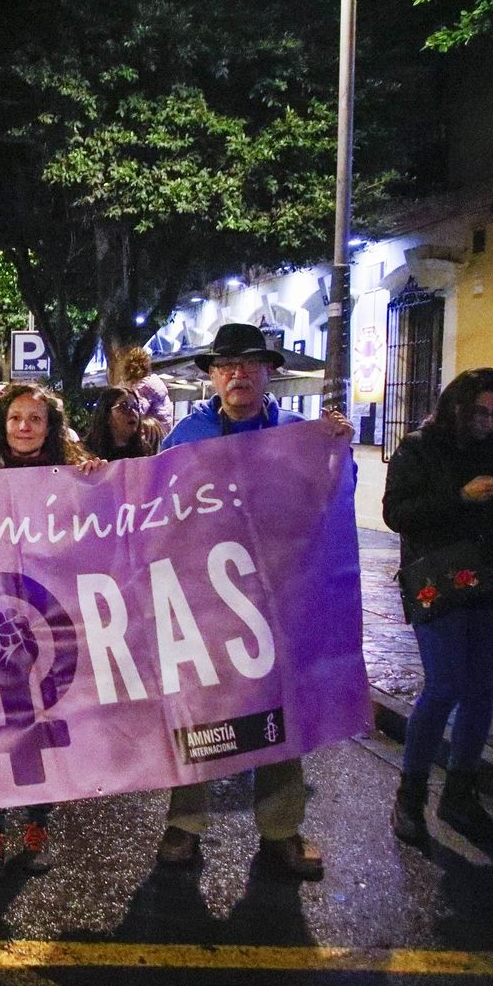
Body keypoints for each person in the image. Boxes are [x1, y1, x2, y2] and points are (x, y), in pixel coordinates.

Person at [154, 323, 351, 880]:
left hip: (279, 599)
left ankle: (281, 830)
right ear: (213, 376)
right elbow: (152, 507)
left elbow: (333, 497)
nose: (237, 374)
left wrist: (336, 450)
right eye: (225, 365)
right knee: (199, 709)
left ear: (268, 372)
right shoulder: (186, 437)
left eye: (248, 364)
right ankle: (184, 824)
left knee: (280, 711)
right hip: (204, 599)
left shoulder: (299, 434)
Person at [0, 384, 102, 878]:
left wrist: (95, 482)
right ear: (0, 424)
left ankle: (37, 827)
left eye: (35, 418)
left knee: (45, 721)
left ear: (51, 426)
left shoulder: (71, 476)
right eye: (15, 418)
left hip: (49, 619)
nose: (25, 427)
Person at [382, 368, 493, 848]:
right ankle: (410, 796)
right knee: (445, 685)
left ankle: (460, 795)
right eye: (480, 412)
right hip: (440, 583)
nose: (488, 422)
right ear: (457, 405)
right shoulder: (419, 447)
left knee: (482, 690)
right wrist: (461, 495)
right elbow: (398, 514)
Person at [117, 346, 173, 440]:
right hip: (163, 434)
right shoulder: (154, 382)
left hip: (150, 437)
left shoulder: (143, 387)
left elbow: (137, 413)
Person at [85, 386, 154, 462]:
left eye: (135, 406)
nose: (133, 412)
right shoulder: (87, 451)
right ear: (107, 415)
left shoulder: (143, 450)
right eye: (124, 407)